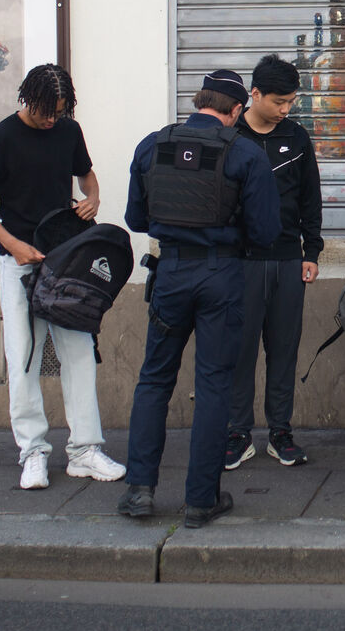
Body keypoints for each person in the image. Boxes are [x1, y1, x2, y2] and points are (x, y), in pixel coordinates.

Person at [117, 70, 281, 527]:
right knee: (213, 386)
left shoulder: (152, 145)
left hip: (170, 273)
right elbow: (266, 231)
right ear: (235, 110)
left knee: (154, 380)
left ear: (198, 101)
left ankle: (139, 490)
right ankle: (201, 499)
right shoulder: (245, 153)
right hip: (220, 276)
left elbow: (136, 219)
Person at [0, 63, 126, 491]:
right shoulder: (2, 137)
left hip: (65, 258)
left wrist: (93, 197)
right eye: (45, 111)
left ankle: (84, 450)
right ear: (27, 99)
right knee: (24, 358)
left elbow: (86, 175)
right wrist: (12, 244)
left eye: (59, 111)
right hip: (19, 263)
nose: (52, 119)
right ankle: (33, 452)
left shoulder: (68, 131)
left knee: (79, 353)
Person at [223, 55, 323, 470]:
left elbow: (310, 198)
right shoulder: (230, 135)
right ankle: (237, 433)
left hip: (287, 260)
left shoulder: (296, 137)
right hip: (241, 262)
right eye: (279, 101)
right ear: (255, 94)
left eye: (291, 102)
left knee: (283, 350)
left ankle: (280, 432)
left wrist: (311, 252)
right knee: (239, 350)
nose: (285, 109)